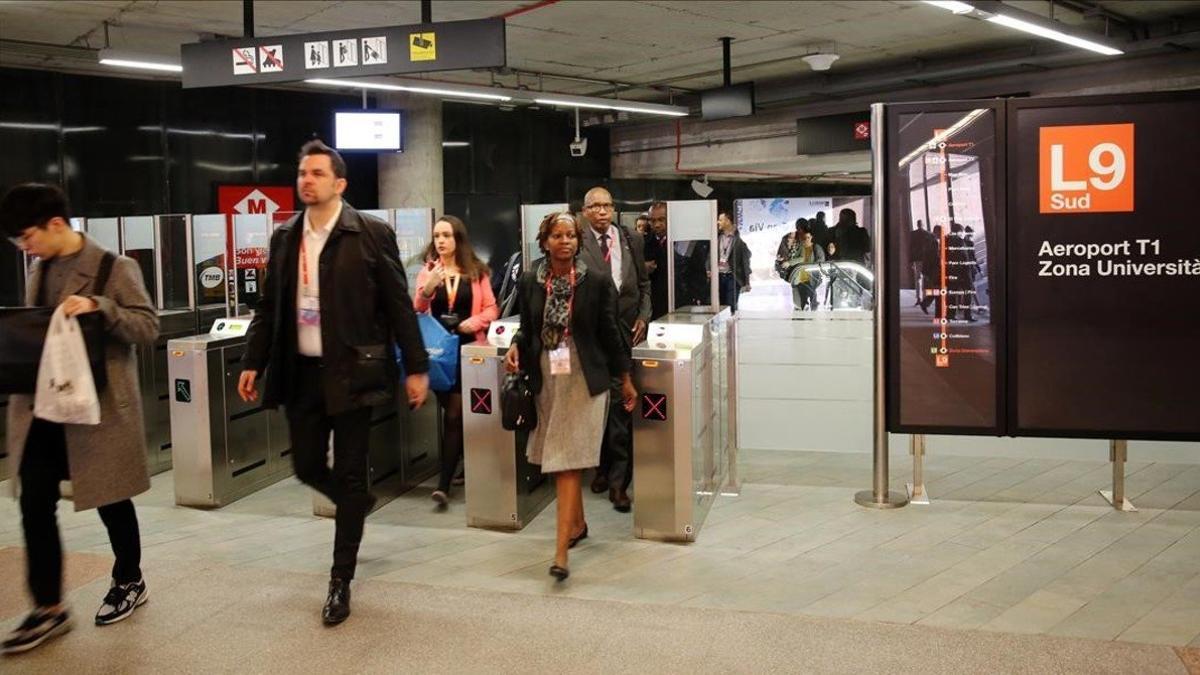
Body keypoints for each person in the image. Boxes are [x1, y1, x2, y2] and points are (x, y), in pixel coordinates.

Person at [239, 140, 429, 626]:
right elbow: (267, 308)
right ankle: (357, 503)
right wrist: (252, 361)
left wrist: (417, 366)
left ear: (339, 183)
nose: (307, 180)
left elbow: (397, 305)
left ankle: (339, 580)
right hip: (300, 373)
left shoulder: (368, 233)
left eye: (317, 174)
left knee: (347, 471)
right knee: (305, 466)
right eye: (302, 173)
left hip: (353, 373)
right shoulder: (285, 237)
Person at [1, 183, 159, 654]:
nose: (24, 247)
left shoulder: (115, 267)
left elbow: (148, 326)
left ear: (55, 224)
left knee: (111, 499)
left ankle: (129, 579)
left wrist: (101, 306)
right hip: (44, 406)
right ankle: (49, 607)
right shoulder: (40, 267)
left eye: (26, 236)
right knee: (34, 503)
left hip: (97, 410)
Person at [504, 212, 637, 581]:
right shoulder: (531, 279)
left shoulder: (595, 282)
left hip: (585, 378)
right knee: (565, 458)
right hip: (547, 377)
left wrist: (624, 377)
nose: (565, 241)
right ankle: (576, 525)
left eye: (571, 236)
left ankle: (561, 552)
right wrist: (516, 345)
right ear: (544, 242)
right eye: (558, 235)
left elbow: (611, 332)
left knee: (566, 463)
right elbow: (528, 327)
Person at [413, 215, 498, 505]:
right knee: (450, 415)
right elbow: (418, 308)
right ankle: (460, 462)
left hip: (467, 349)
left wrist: (471, 323)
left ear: (457, 239)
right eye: (437, 235)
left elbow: (491, 309)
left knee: (454, 414)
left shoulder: (476, 272)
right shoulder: (428, 271)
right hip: (438, 353)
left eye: (446, 235)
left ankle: (444, 484)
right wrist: (429, 287)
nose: (440, 241)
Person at [576, 187, 650, 512]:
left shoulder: (632, 239)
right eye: (596, 207)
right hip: (593, 338)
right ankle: (601, 468)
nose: (603, 212)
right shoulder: (577, 242)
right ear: (585, 211)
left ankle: (620, 483)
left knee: (623, 407)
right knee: (598, 406)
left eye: (607, 206)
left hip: (626, 335)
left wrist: (644, 317)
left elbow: (645, 286)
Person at [778, 219, 824, 310]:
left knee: (808, 296)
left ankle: (808, 309)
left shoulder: (814, 246)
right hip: (797, 275)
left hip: (809, 276)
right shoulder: (794, 240)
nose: (805, 238)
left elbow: (819, 260)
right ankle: (803, 310)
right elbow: (786, 255)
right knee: (800, 299)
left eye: (807, 236)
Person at [716, 212, 751, 313]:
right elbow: (710, 255)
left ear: (728, 221)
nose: (718, 222)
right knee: (719, 306)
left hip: (733, 276)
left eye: (721, 220)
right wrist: (708, 268)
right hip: (718, 276)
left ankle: (731, 327)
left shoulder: (739, 240)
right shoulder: (717, 237)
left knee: (731, 306)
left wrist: (747, 281)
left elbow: (745, 260)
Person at [644, 201, 670, 319]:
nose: (657, 225)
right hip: (654, 304)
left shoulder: (681, 243)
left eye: (661, 220)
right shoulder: (642, 243)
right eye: (653, 221)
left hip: (679, 302)